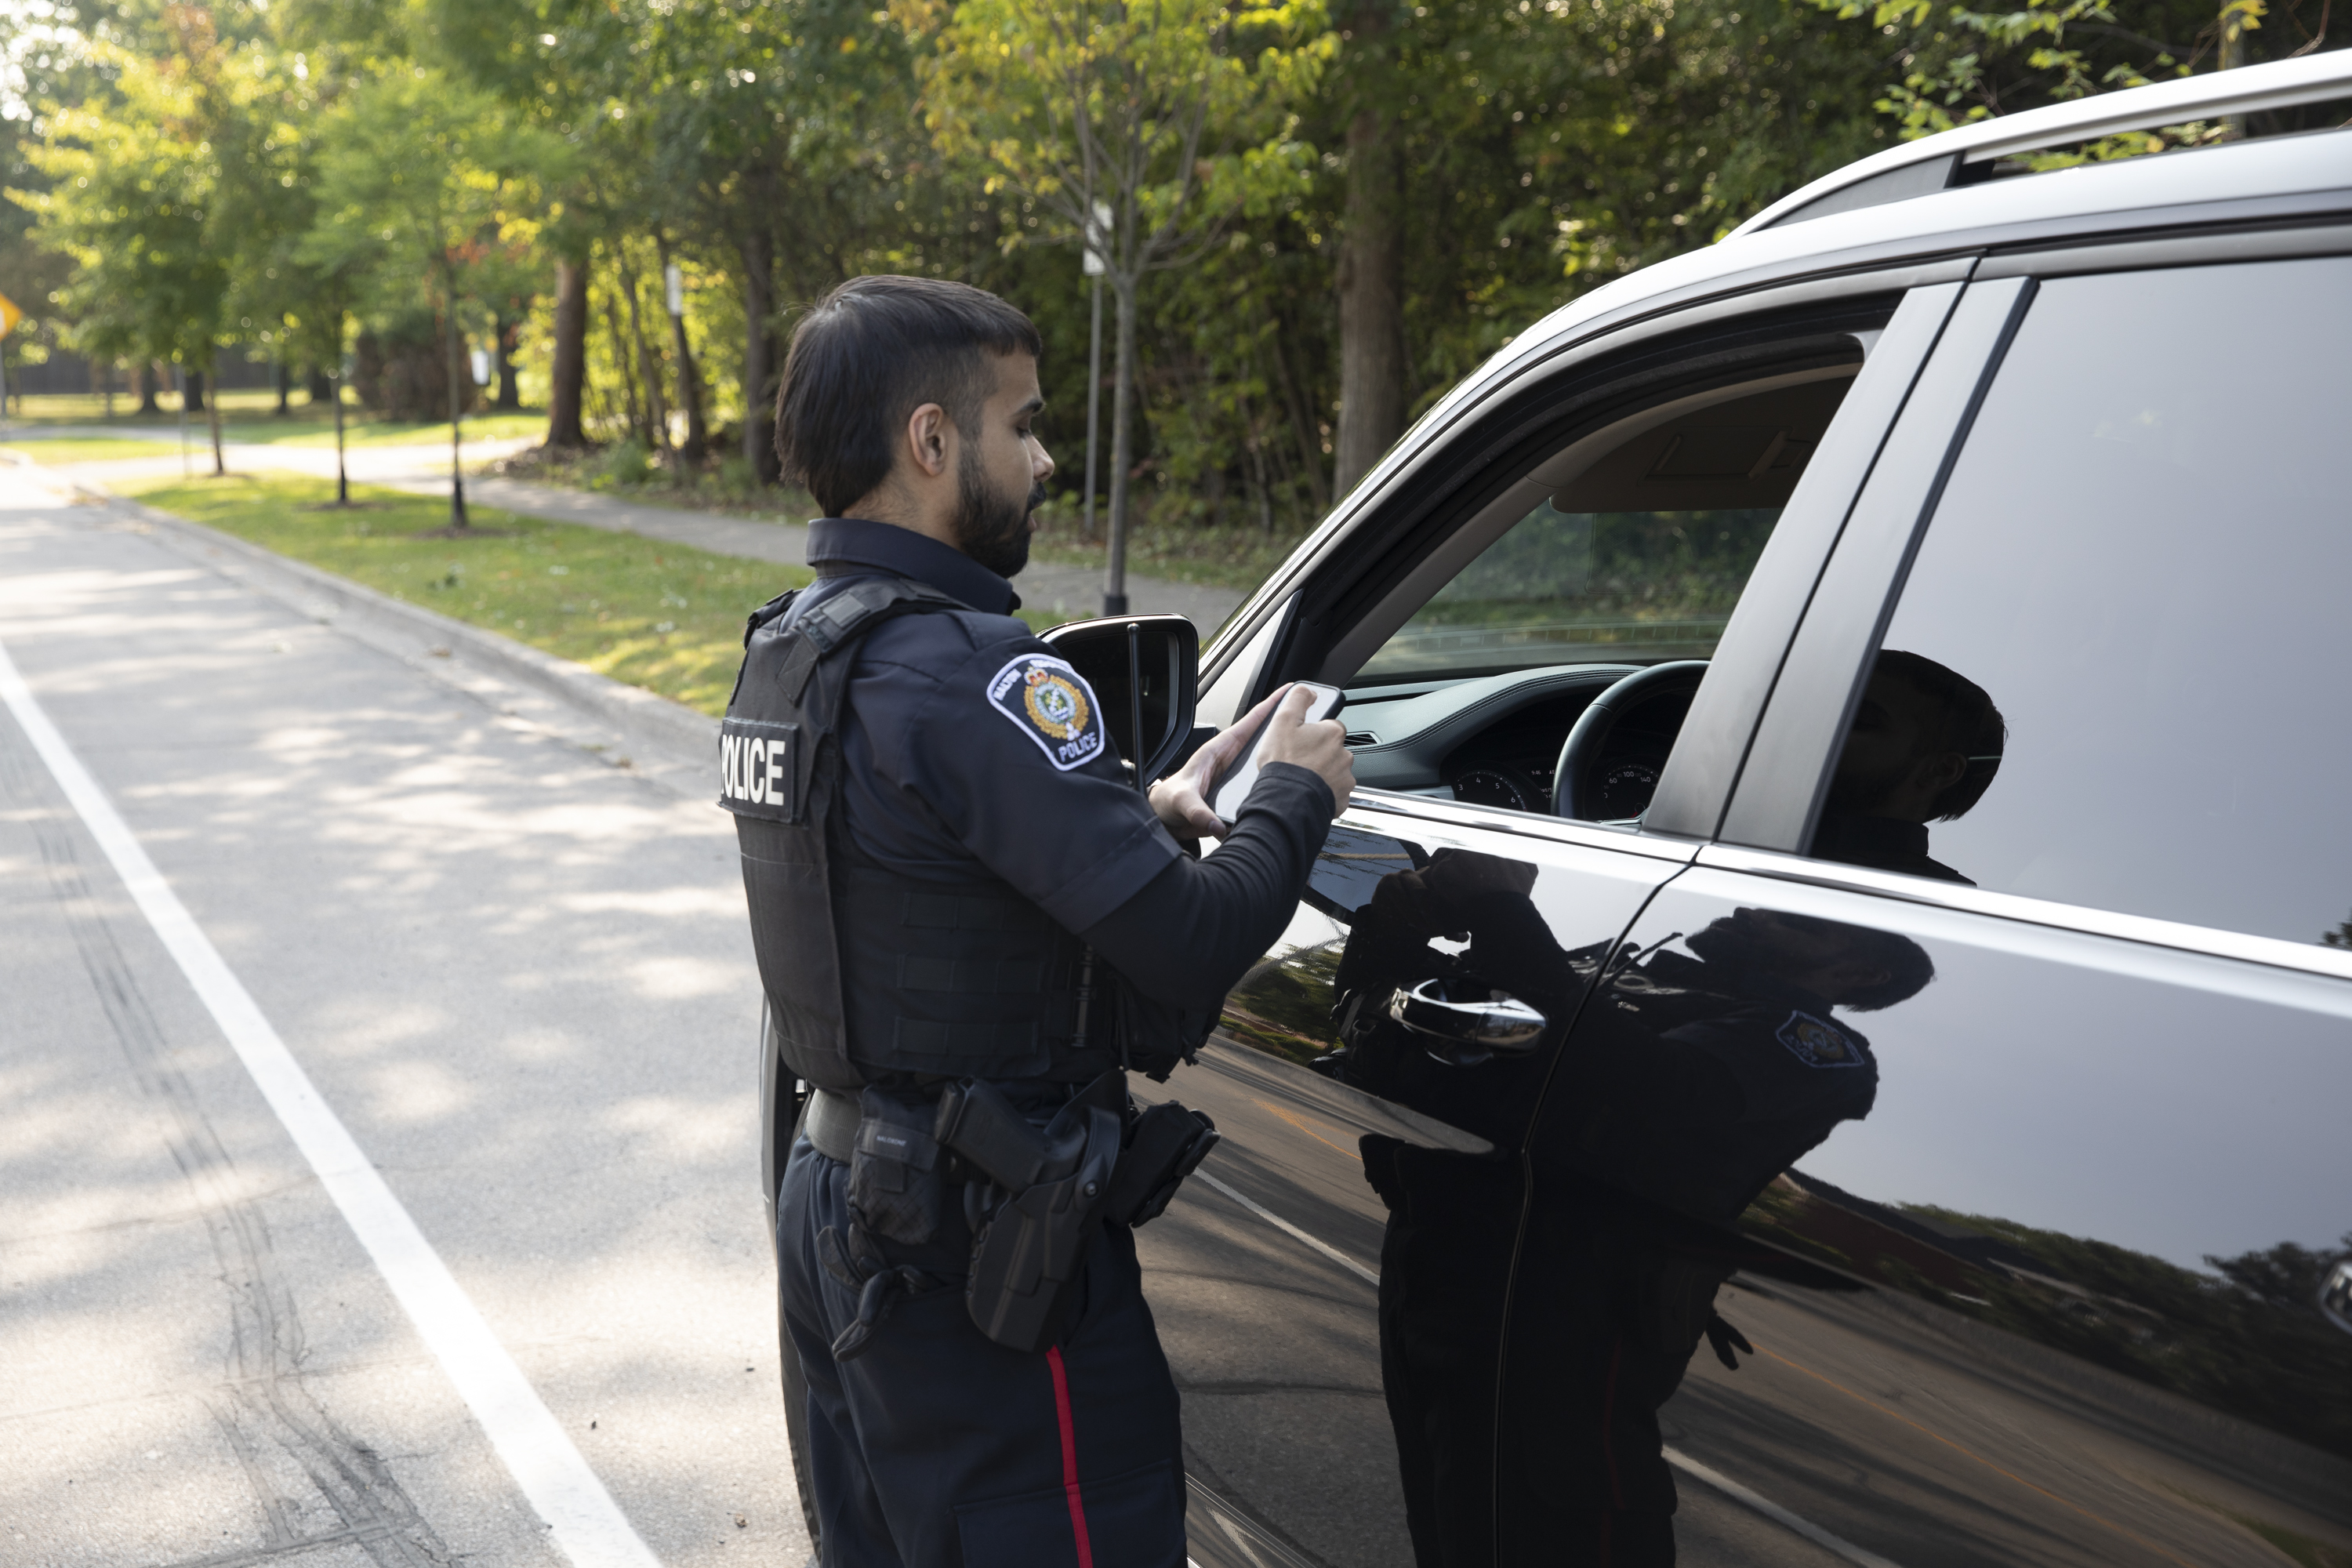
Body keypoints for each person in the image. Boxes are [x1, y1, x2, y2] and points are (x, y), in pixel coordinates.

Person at [720, 274, 1355, 1568]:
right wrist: (1295, 795)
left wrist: (1149, 814)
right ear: (933, 443)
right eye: (1024, 424)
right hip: (977, 1249)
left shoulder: (795, 650)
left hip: (838, 1204)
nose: (1047, 456)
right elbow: (1186, 945)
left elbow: (922, 890)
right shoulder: (975, 668)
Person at [1813, 649, 2005, 884]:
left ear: (1940, 770)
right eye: (1822, 713)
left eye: (1860, 721)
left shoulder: (1930, 906)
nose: (1823, 729)